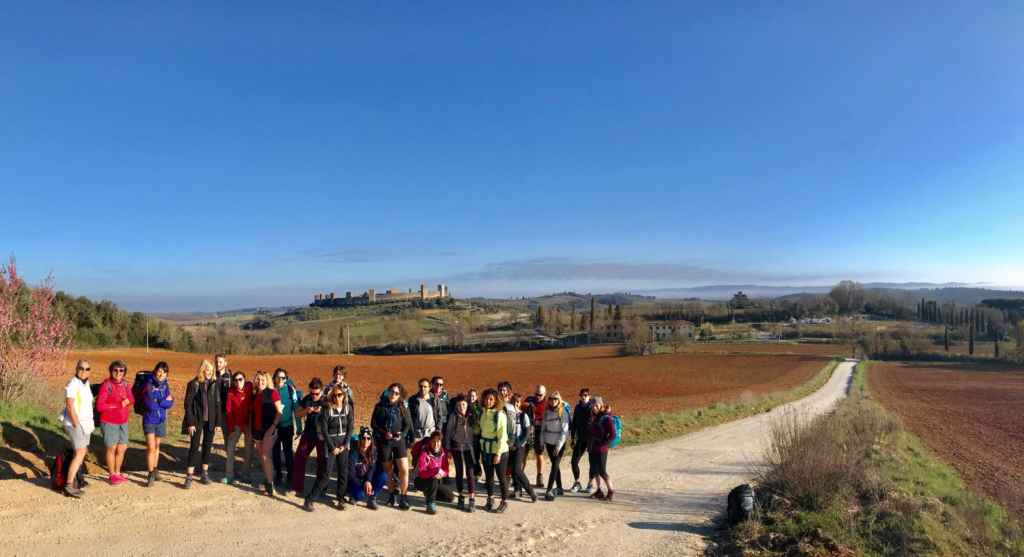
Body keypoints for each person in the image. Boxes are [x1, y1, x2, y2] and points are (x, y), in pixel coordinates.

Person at [304, 386, 354, 511]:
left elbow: (351, 428)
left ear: (344, 395)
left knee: (343, 472)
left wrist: (344, 444)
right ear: (331, 396)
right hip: (330, 443)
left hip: (344, 443)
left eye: (340, 395)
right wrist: (332, 447)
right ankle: (310, 499)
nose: (337, 398)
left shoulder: (348, 408)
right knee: (326, 474)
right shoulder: (327, 409)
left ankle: (341, 499)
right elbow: (325, 431)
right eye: (335, 395)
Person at [371, 382, 413, 510]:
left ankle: (404, 497)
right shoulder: (380, 406)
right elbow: (374, 424)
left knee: (404, 470)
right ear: (387, 391)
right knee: (389, 471)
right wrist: (384, 434)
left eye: (396, 393)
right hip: (385, 442)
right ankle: (391, 495)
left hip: (399, 441)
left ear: (399, 395)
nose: (393, 395)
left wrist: (403, 434)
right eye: (391, 392)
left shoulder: (402, 407)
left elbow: (407, 424)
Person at [182, 359, 221, 488]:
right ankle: (189, 476)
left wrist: (218, 423)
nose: (209, 373)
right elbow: (187, 405)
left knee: (207, 446)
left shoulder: (214, 384)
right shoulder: (194, 384)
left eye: (210, 370)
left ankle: (204, 473)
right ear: (202, 371)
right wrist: (190, 422)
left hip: (210, 421)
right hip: (197, 421)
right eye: (206, 370)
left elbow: (217, 404)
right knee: (194, 446)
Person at [95, 360, 134, 485]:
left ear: (124, 372)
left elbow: (131, 398)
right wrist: (119, 404)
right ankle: (112, 475)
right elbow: (100, 406)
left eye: (121, 370)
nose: (118, 373)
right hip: (109, 421)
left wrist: (128, 401)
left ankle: (118, 472)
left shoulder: (126, 385)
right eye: (115, 370)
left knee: (122, 448)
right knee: (111, 448)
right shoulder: (107, 385)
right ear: (111, 371)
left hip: (123, 421)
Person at [59, 360, 94, 498]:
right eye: (81, 368)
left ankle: (76, 480)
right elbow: (69, 405)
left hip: (86, 423)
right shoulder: (73, 384)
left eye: (87, 369)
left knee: (80, 452)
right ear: (76, 368)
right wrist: (75, 423)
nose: (84, 371)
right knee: (80, 452)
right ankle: (68, 485)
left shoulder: (85, 383)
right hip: (76, 423)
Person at [292, 377, 327, 495]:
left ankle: (321, 488)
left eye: (316, 394)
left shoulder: (327, 400)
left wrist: (323, 411)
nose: (314, 396)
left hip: (323, 435)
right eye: (312, 393)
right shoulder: (307, 399)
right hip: (309, 434)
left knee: (322, 462)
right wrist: (307, 410)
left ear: (321, 391)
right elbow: (297, 413)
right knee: (299, 457)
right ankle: (297, 487)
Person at [142, 361, 174, 487]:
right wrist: (163, 401)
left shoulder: (165, 386)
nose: (161, 374)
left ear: (166, 374)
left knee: (157, 445)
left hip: (161, 420)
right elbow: (150, 404)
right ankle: (150, 474)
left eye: (164, 372)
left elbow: (170, 403)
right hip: (150, 420)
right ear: (155, 371)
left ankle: (155, 469)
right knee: (151, 447)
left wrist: (160, 401)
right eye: (160, 371)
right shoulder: (148, 384)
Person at [251, 370, 283, 496]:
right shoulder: (254, 394)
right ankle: (268, 478)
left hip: (269, 430)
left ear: (267, 381)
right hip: (257, 430)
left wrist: (273, 427)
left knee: (265, 455)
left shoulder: (272, 393)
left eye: (263, 380)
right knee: (262, 457)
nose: (260, 382)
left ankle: (270, 484)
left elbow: (279, 412)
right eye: (258, 379)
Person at [444, 394, 477, 512]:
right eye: (459, 405)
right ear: (456, 406)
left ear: (467, 405)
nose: (461, 407)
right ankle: (461, 497)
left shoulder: (471, 415)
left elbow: (476, 430)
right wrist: (447, 449)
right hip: (457, 447)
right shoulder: (453, 416)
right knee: (459, 472)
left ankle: (472, 498)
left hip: (470, 448)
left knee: (470, 472)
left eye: (463, 404)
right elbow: (447, 434)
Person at [479, 388, 510, 513]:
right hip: (486, 449)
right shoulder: (483, 412)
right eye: (486, 398)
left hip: (499, 451)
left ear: (496, 400)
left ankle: (504, 501)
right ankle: (490, 499)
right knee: (489, 477)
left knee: (501, 477)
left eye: (491, 399)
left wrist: (498, 454)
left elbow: (502, 436)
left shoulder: (500, 415)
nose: (488, 401)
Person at [271, 368, 301, 492]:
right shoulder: (271, 390)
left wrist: (299, 427)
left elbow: (296, 409)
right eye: (278, 377)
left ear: (286, 379)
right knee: (276, 452)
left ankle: (290, 476)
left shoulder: (290, 391)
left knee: (288, 452)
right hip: (274, 427)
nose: (281, 380)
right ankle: (278, 475)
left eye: (283, 378)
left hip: (287, 427)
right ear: (274, 378)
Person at [224, 371, 254, 485]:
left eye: (240, 379)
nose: (238, 382)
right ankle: (229, 475)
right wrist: (231, 428)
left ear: (245, 380)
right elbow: (229, 410)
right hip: (237, 425)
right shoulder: (231, 393)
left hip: (248, 425)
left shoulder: (250, 387)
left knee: (248, 450)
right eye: (236, 380)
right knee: (230, 448)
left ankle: (246, 474)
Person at [541, 391, 571, 500]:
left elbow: (565, 431)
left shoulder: (563, 412)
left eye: (555, 399)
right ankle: (560, 488)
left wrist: (558, 446)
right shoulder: (547, 412)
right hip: (549, 442)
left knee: (554, 465)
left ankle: (549, 490)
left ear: (559, 400)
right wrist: (542, 441)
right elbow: (543, 428)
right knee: (555, 464)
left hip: (559, 443)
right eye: (551, 399)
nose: (553, 401)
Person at [415, 431, 454, 515]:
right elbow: (421, 472)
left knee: (450, 497)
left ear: (441, 442)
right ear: (430, 441)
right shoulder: (424, 452)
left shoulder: (443, 453)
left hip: (436, 481)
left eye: (438, 441)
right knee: (433, 479)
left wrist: (441, 474)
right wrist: (435, 471)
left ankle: (429, 494)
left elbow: (446, 470)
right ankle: (430, 503)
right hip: (421, 481)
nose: (436, 444)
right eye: (433, 441)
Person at [348, 427, 386, 510]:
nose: (366, 441)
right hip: (355, 480)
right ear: (360, 439)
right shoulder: (354, 452)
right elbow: (351, 473)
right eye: (363, 438)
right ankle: (353, 495)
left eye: (368, 438)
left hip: (366, 479)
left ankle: (372, 498)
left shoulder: (374, 451)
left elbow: (372, 468)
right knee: (360, 495)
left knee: (383, 475)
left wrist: (368, 481)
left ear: (371, 440)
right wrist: (362, 484)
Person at [508, 393, 537, 502]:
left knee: (517, 470)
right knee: (512, 469)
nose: (515, 404)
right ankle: (517, 491)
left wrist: (517, 444)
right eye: (513, 402)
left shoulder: (523, 416)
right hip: (509, 446)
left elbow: (526, 433)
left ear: (520, 404)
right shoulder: (508, 415)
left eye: (517, 402)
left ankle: (531, 492)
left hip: (519, 446)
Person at [588, 396, 616, 502]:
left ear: (601, 405)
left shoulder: (606, 418)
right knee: (595, 470)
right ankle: (599, 491)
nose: (594, 407)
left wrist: (604, 444)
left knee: (602, 471)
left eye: (596, 405)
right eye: (593, 406)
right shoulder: (594, 417)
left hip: (601, 449)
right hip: (592, 447)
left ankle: (611, 490)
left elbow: (613, 434)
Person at [569, 388, 594, 493]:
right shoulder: (578, 407)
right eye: (582, 395)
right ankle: (577, 483)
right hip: (580, 439)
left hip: (591, 440)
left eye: (585, 395)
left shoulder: (593, 408)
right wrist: (572, 438)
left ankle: (590, 483)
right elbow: (574, 423)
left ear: (589, 396)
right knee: (574, 461)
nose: (583, 397)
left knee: (592, 462)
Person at [526, 384, 548, 488]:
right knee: (523, 454)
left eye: (540, 395)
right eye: (536, 394)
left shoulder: (548, 404)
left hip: (539, 431)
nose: (537, 396)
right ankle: (518, 476)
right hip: (528, 430)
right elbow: (521, 406)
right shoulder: (530, 399)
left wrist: (539, 422)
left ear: (545, 394)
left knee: (539, 454)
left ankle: (540, 476)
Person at [213, 354, 232, 472]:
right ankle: (203, 465)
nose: (218, 364)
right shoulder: (212, 375)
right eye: (216, 362)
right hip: (213, 411)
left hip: (225, 412)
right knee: (208, 437)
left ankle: (229, 465)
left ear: (225, 363)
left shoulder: (230, 377)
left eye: (220, 362)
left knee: (227, 438)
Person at [468, 388, 483, 478]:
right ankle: (474, 473)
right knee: (471, 456)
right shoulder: (465, 406)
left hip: (477, 435)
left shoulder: (479, 408)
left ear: (476, 397)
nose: (471, 397)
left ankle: (477, 473)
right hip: (468, 436)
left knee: (476, 455)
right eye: (469, 395)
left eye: (473, 396)